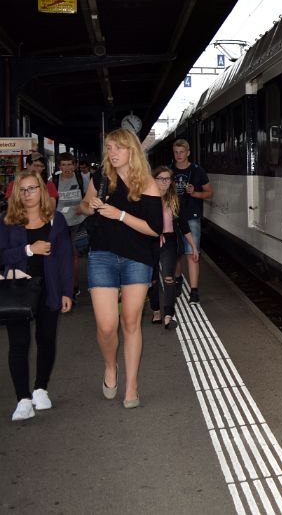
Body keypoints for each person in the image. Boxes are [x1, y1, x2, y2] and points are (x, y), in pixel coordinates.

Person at [77, 128, 162, 408]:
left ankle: (132, 385)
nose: (112, 153)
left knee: (130, 322)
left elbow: (155, 229)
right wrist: (91, 207)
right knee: (106, 326)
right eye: (109, 148)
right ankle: (110, 366)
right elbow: (83, 206)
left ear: (131, 150)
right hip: (101, 255)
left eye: (118, 148)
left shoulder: (147, 184)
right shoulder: (101, 178)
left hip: (137, 258)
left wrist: (120, 215)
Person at [0, 171, 73, 421]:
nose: (28, 194)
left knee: (46, 338)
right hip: (18, 289)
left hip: (49, 288)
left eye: (32, 188)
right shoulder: (7, 221)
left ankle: (41, 388)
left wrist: (66, 291)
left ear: (41, 190)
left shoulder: (56, 219)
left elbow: (64, 258)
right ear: (16, 194)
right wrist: (29, 250)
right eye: (23, 190)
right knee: (18, 344)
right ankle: (22, 399)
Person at [148, 166, 197, 329]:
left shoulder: (175, 200)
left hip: (169, 241)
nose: (164, 182)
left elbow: (183, 225)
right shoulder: (147, 199)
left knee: (168, 278)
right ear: (154, 180)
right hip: (150, 241)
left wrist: (193, 246)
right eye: (160, 178)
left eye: (167, 179)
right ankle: (156, 310)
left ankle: (168, 315)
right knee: (152, 279)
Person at [170, 139, 213, 304]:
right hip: (173, 216)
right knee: (175, 253)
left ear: (188, 153)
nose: (178, 155)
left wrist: (195, 193)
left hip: (192, 216)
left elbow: (210, 193)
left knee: (192, 253)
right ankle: (178, 278)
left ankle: (194, 291)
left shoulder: (197, 171)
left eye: (181, 152)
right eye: (176, 152)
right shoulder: (169, 170)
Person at [53, 153, 90, 296]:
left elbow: (89, 198)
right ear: (59, 166)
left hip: (78, 223)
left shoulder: (82, 179)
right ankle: (64, 284)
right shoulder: (54, 180)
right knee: (62, 255)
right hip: (60, 224)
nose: (67, 167)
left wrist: (83, 209)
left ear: (74, 165)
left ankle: (73, 286)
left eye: (69, 164)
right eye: (63, 165)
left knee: (74, 255)